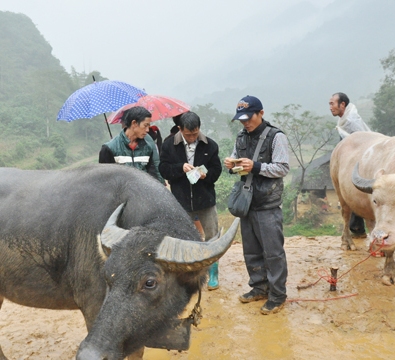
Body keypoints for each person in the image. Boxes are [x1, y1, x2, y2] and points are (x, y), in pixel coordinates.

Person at [224, 95, 290, 315]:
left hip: (267, 203)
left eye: (249, 117)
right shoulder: (241, 137)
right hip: (248, 202)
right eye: (241, 119)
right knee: (251, 250)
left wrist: (256, 166)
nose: (245, 123)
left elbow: (282, 168)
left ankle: (277, 295)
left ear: (261, 113)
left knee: (273, 253)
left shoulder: (275, 136)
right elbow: (237, 161)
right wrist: (231, 165)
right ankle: (259, 287)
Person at [159, 111, 222, 289]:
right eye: (188, 134)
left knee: (212, 237)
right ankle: (188, 274)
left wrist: (206, 175)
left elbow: (216, 171)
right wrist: (180, 168)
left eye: (195, 133)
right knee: (184, 238)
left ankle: (213, 272)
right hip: (181, 201)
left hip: (205, 201)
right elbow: (163, 169)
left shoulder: (210, 145)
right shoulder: (169, 145)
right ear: (180, 129)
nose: (192, 137)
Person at [329, 92, 370, 238]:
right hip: (351, 163)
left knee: (354, 196)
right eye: (330, 104)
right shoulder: (345, 120)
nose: (330, 107)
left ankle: (358, 229)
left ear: (342, 105)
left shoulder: (351, 122)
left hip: (359, 164)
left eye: (332, 103)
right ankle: (357, 228)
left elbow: (362, 144)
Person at [99, 106, 163, 183]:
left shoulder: (147, 148)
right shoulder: (109, 148)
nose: (147, 130)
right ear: (134, 123)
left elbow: (152, 175)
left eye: (148, 126)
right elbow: (104, 180)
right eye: (145, 125)